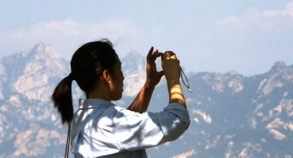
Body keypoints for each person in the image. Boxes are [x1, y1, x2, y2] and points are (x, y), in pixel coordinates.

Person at [51, 39, 190, 158]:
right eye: (120, 69)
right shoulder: (110, 123)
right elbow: (177, 119)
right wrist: (173, 77)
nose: (123, 76)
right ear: (107, 76)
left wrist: (149, 85)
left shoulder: (82, 118)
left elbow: (124, 126)